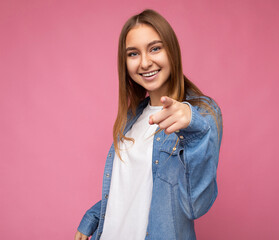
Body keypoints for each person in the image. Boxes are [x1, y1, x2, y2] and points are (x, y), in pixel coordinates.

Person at [74, 9, 223, 240]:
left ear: (171, 50)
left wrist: (194, 129)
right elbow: (133, 187)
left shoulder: (202, 114)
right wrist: (93, 217)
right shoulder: (134, 116)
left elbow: (196, 206)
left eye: (155, 48)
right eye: (133, 54)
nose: (145, 62)